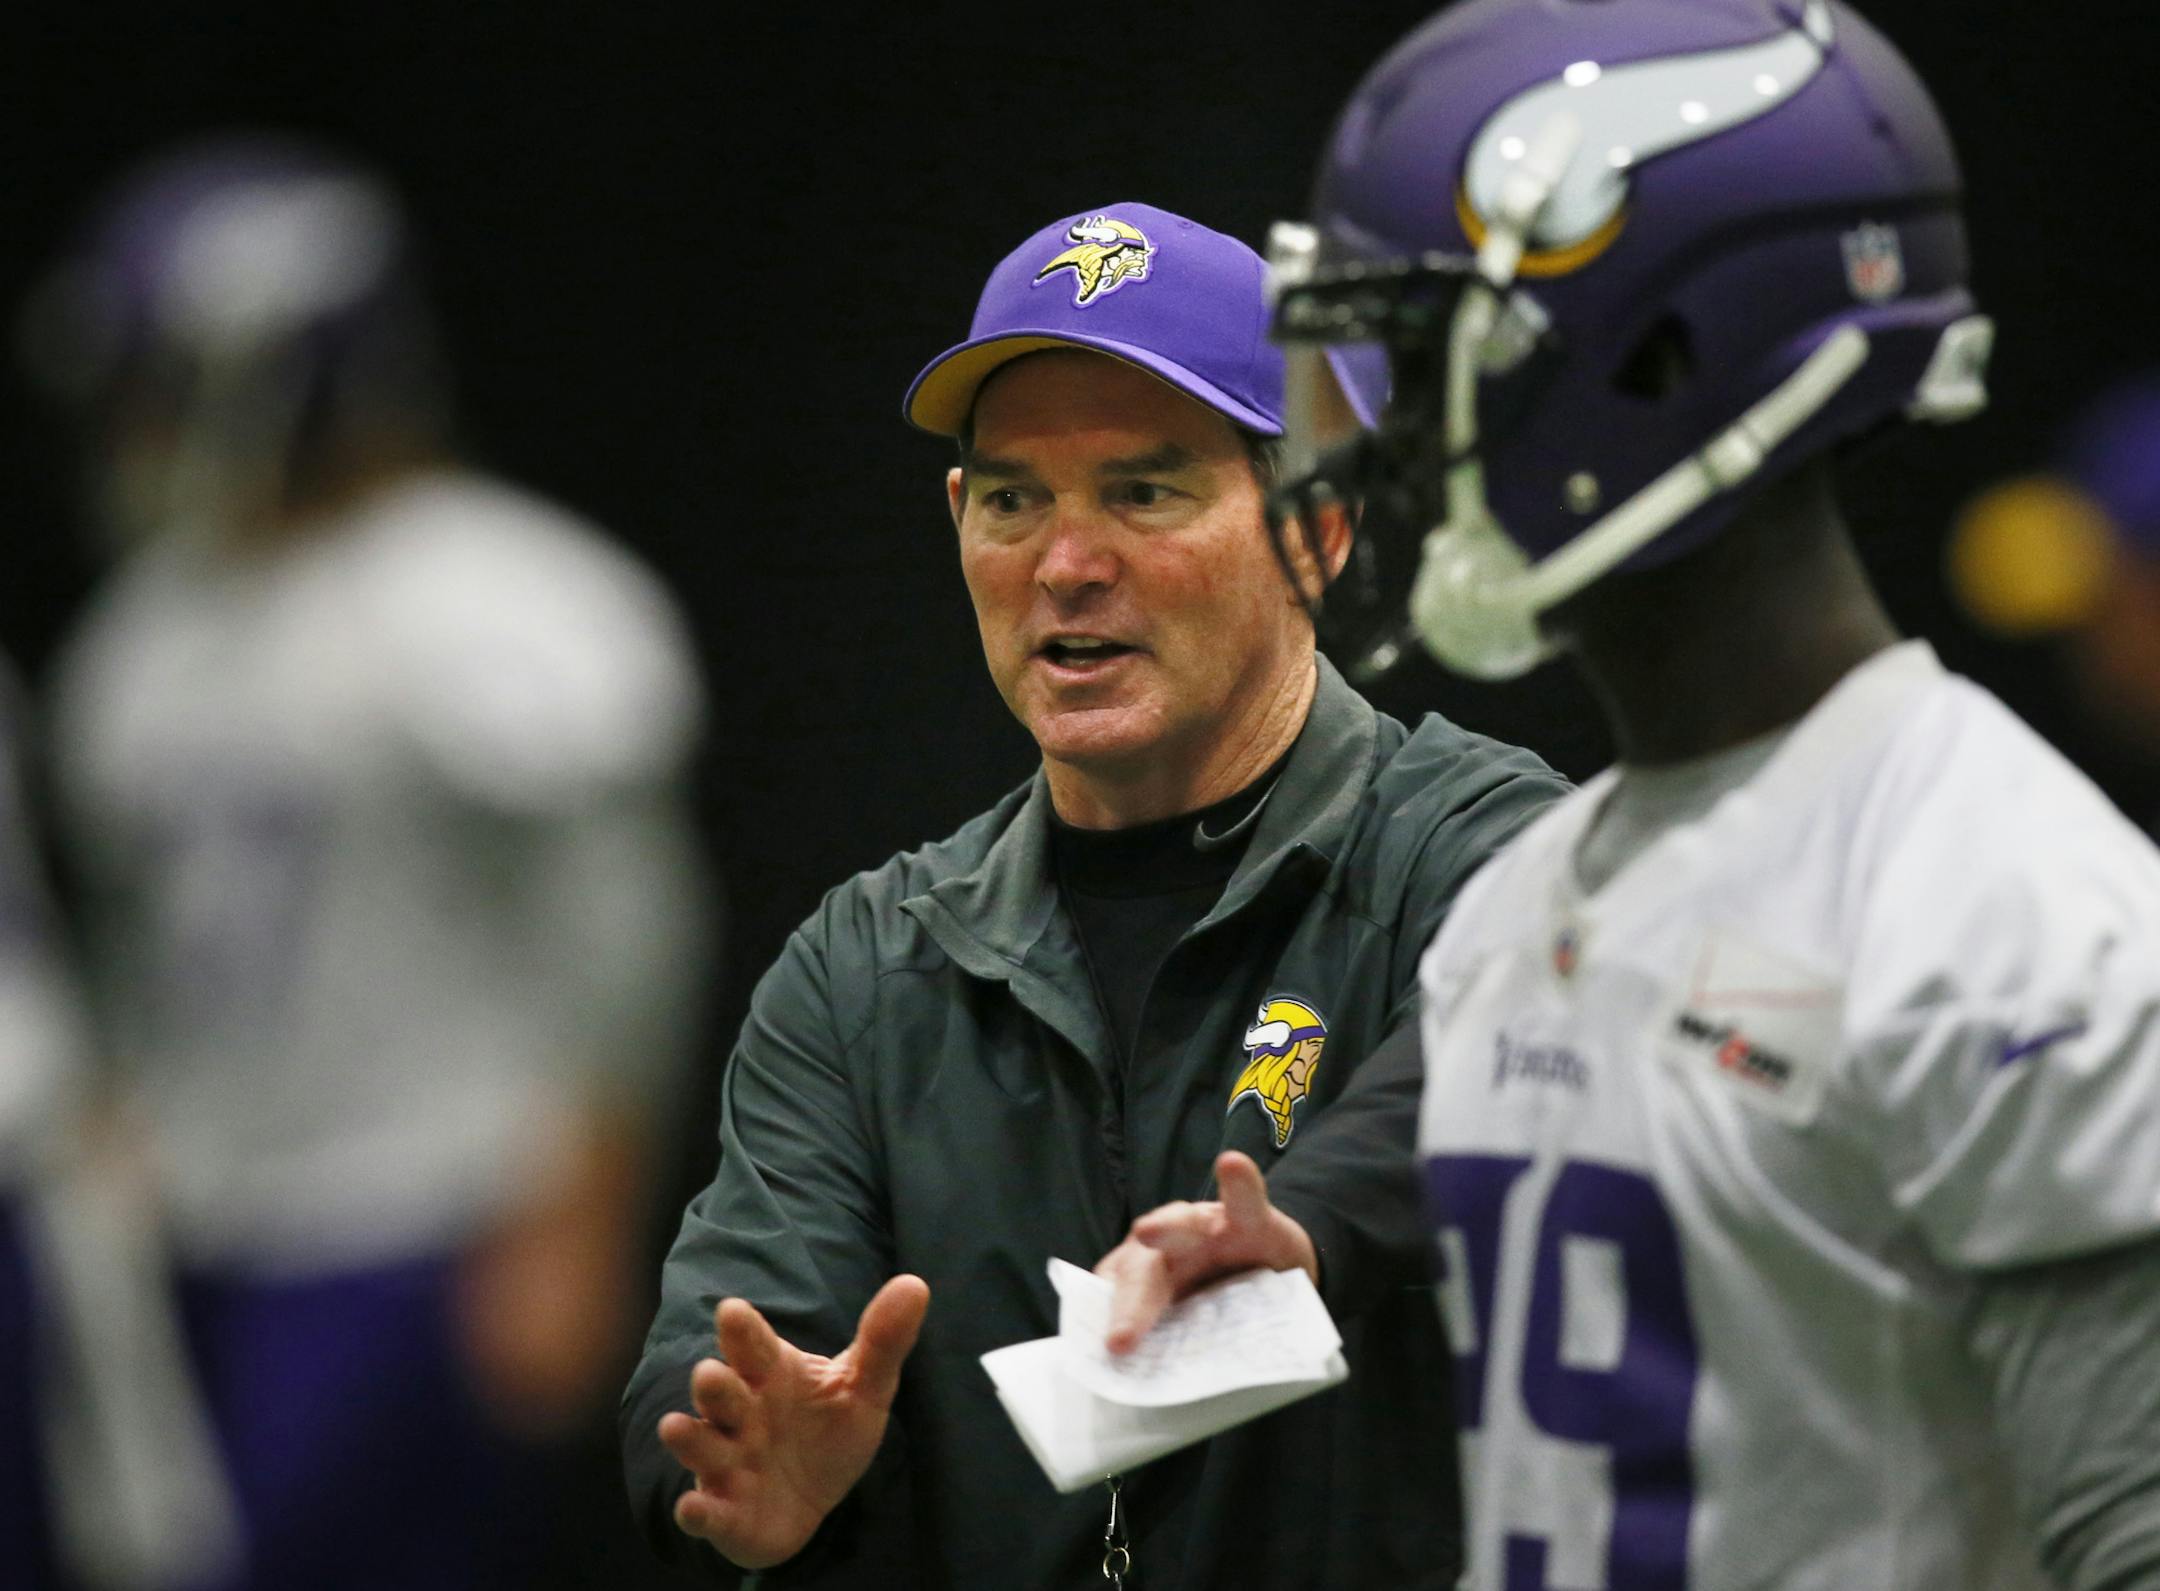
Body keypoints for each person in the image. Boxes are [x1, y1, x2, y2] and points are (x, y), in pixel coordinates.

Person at [1095, 3, 2160, 1586]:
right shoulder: (1531, 899)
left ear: (1662, 360)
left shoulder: (2017, 925)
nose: (1365, 442)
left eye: (1430, 355)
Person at [621, 202, 1565, 1589]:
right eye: (1014, 500)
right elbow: (716, 1369)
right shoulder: (869, 967)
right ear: (958, 524)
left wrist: (1300, 1240)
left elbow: (1498, 1067)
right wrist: (739, 1461)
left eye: (1144, 491)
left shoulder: (1484, 851)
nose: (1066, 564)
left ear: (1316, 529)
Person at [27, 137, 712, 1591]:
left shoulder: (495, 597)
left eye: (162, 379)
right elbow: (153, 932)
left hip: (417, 1213)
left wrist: (580, 1215)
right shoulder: (151, 630)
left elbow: (623, 930)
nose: (136, 421)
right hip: (200, 1223)